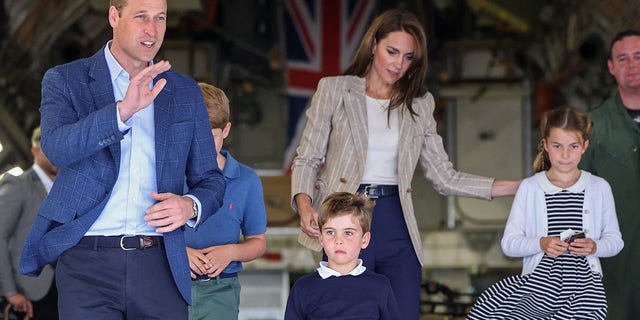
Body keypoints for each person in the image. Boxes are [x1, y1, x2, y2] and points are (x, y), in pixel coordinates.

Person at [290, 8, 520, 319]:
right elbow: (308, 157)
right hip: (348, 220)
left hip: (398, 223)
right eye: (392, 51)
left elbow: (444, 176)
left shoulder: (420, 104)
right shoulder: (334, 90)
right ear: (373, 45)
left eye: (408, 57)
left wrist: (518, 187)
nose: (399, 63)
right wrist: (304, 205)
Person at [18, 0, 226, 319]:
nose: (152, 29)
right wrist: (121, 112)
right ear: (114, 16)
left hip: (160, 263)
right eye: (140, 17)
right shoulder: (66, 80)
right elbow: (57, 148)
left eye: (160, 18)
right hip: (87, 263)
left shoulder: (185, 92)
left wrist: (191, 205)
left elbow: (210, 179)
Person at [467, 107, 624, 319]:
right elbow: (509, 244)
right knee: (490, 307)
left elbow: (615, 241)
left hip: (586, 288)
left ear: (585, 147)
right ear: (546, 145)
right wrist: (541, 243)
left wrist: (595, 246)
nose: (566, 155)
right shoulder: (530, 188)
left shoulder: (599, 187)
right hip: (538, 287)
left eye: (573, 146)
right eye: (558, 146)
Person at [185, 83, 267, 320]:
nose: (201, 146)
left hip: (221, 289)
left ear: (226, 130)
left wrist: (230, 252)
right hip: (169, 284)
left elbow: (258, 242)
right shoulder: (168, 176)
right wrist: (179, 252)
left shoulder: (247, 180)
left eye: (210, 136)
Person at [579, 29, 640, 320]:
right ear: (611, 67)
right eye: (623, 58)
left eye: (639, 57)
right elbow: (571, 198)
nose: (633, 65)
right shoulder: (593, 127)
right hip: (615, 274)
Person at [285, 192, 400, 320]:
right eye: (330, 232)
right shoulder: (303, 288)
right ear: (321, 238)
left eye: (348, 233)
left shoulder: (380, 286)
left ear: (364, 240)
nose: (338, 240)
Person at [0, 127, 58, 319]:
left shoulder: (69, 189)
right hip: (31, 290)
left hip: (69, 285)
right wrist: (9, 292)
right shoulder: (19, 185)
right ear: (35, 151)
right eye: (49, 148)